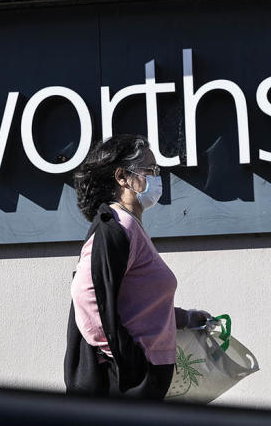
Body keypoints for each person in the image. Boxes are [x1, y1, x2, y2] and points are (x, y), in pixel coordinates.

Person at [64, 134, 212, 399]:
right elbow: (86, 297)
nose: (158, 177)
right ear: (122, 177)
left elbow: (137, 302)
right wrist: (129, 361)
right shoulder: (116, 227)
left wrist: (184, 319)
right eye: (150, 170)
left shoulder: (132, 227)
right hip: (127, 385)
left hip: (146, 381)